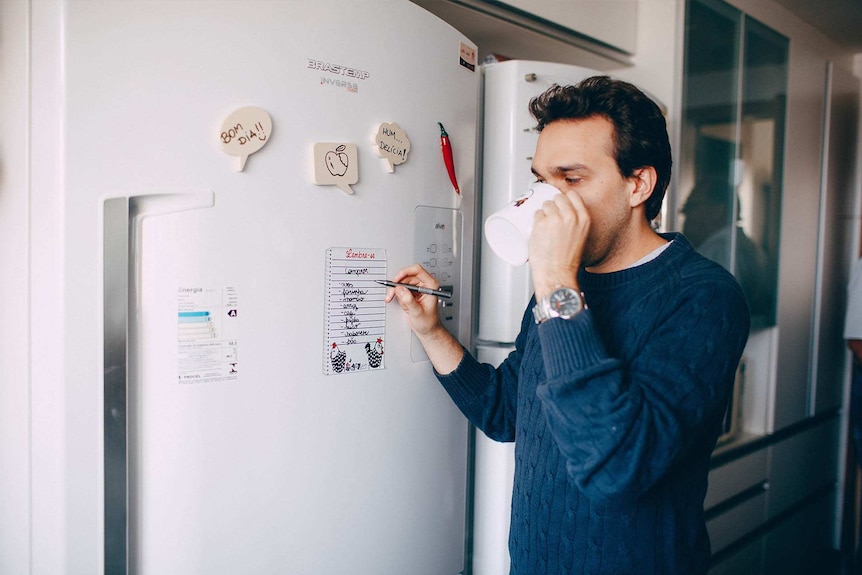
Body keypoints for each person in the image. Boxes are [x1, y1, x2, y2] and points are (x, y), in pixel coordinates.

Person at [385, 76, 751, 574]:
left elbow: (617, 469)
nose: (548, 202)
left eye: (571, 179)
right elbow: (507, 411)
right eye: (541, 181)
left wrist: (556, 279)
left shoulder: (703, 297)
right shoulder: (565, 287)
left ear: (637, 183)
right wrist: (432, 332)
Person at [681, 178, 770, 317]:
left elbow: (709, 314)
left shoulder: (718, 250)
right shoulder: (744, 245)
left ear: (717, 211)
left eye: (691, 206)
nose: (684, 214)